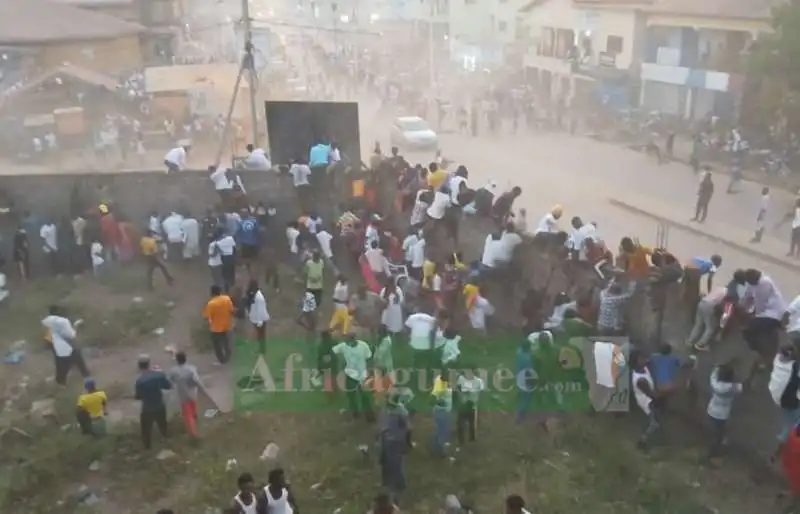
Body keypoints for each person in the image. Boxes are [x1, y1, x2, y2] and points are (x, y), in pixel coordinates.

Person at [42, 305, 90, 385]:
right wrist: (76, 325)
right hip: (66, 345)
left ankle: (60, 381)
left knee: (60, 363)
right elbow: (71, 335)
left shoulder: (45, 321)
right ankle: (86, 376)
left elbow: (46, 334)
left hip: (53, 344)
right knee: (77, 359)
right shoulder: (64, 321)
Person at [332, 333, 373, 419]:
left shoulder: (363, 346)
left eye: (348, 340)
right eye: (346, 341)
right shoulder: (343, 346)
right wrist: (341, 359)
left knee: (365, 396)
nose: (347, 343)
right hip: (350, 375)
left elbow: (369, 358)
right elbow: (333, 351)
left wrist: (369, 372)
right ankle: (355, 413)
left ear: (354, 339)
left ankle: (369, 415)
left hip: (362, 375)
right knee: (351, 395)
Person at [134, 354, 171, 449]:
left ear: (139, 366)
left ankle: (148, 447)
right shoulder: (158, 375)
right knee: (163, 425)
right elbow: (168, 386)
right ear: (149, 363)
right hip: (160, 405)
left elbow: (138, 396)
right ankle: (167, 442)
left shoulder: (140, 381)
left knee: (146, 430)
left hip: (148, 408)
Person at [707, 363, 742, 457]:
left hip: (712, 409)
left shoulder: (715, 384)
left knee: (713, 428)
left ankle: (713, 445)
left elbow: (712, 376)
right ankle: (720, 443)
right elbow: (741, 386)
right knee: (721, 429)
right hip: (724, 413)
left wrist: (717, 368)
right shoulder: (734, 387)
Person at [168, 350, 202, 438]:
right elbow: (197, 381)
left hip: (183, 395)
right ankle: (195, 417)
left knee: (188, 415)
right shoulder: (192, 368)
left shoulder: (174, 371)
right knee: (193, 406)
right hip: (192, 393)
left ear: (177, 360)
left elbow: (170, 381)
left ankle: (193, 433)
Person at [202, 285, 235, 364]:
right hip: (227, 325)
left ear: (212, 293)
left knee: (217, 345)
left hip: (216, 328)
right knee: (226, 342)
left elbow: (206, 316)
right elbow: (232, 311)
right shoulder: (226, 299)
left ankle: (222, 360)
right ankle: (228, 356)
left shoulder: (211, 304)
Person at [455, 367, 483, 445]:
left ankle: (472, 438)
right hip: (464, 404)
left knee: (472, 423)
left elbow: (481, 391)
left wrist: (474, 397)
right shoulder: (462, 379)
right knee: (461, 423)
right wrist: (461, 396)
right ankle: (461, 440)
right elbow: (458, 388)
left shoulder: (478, 381)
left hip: (471, 404)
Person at [431, 369, 453, 456]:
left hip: (445, 411)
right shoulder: (439, 385)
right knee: (442, 431)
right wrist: (441, 403)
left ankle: (436, 448)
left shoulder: (443, 382)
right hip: (441, 411)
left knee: (441, 430)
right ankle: (440, 450)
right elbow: (432, 400)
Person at [245, 279, 270, 355]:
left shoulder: (259, 298)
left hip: (260, 319)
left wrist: (259, 322)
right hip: (256, 318)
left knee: (261, 335)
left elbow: (260, 310)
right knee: (260, 335)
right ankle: (261, 349)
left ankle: (262, 349)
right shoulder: (254, 295)